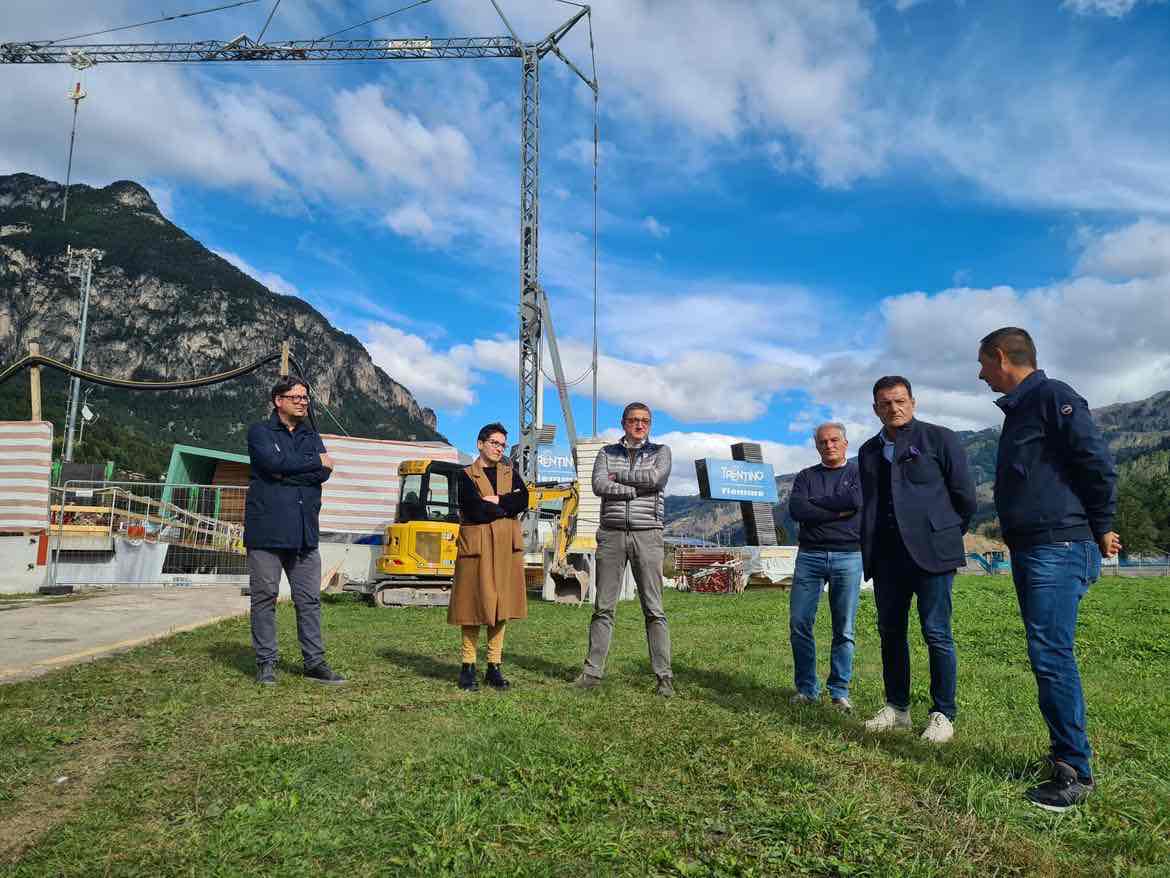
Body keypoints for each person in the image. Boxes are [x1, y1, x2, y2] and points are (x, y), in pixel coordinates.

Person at [978, 327, 1119, 811]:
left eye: (983, 364)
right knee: (1048, 653)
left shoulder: (1053, 396)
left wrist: (1101, 525)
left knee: (1051, 655)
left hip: (1058, 546)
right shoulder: (1021, 411)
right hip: (1036, 547)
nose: (981, 375)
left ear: (1001, 357)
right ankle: (1065, 756)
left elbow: (1096, 463)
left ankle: (1074, 772)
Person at [858, 376, 976, 743]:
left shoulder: (940, 438)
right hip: (887, 557)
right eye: (885, 404)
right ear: (875, 408)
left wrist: (941, 532)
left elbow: (965, 498)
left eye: (899, 401)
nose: (893, 408)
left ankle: (943, 714)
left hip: (933, 555)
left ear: (913, 401)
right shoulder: (867, 451)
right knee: (890, 634)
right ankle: (897, 708)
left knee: (937, 633)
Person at [245, 377, 345, 686]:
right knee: (265, 598)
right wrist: (311, 463)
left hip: (304, 533)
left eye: (305, 397)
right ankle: (266, 663)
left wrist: (287, 471)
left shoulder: (311, 435)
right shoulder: (260, 432)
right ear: (278, 400)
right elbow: (272, 462)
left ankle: (314, 662)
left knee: (309, 600)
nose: (303, 402)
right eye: (296, 397)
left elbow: (321, 474)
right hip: (267, 533)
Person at [574, 402, 674, 697]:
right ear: (623, 422)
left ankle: (664, 677)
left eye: (644, 420)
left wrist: (620, 478)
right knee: (603, 607)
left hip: (648, 535)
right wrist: (630, 490)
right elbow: (598, 484)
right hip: (612, 534)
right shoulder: (607, 453)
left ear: (650, 424)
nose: (639, 425)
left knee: (654, 609)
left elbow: (657, 479)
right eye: (633, 420)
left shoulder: (662, 452)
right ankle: (591, 674)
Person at [787, 422, 864, 712]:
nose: (829, 445)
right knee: (799, 623)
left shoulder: (858, 473)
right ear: (816, 446)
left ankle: (839, 690)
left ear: (845, 443)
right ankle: (807, 688)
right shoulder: (806, 476)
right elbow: (797, 510)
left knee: (844, 627)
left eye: (834, 440)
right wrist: (839, 509)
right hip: (809, 556)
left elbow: (856, 501)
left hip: (848, 556)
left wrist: (818, 507)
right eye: (823, 442)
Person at [448, 423, 529, 691]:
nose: (499, 448)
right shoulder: (465, 475)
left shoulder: (510, 472)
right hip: (477, 547)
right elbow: (473, 510)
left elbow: (524, 500)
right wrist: (503, 506)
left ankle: (494, 666)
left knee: (501, 607)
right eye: (495, 443)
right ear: (480, 444)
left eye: (503, 445)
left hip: (506, 546)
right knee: (472, 606)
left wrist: (498, 501)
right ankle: (468, 666)